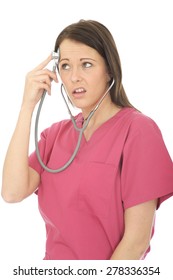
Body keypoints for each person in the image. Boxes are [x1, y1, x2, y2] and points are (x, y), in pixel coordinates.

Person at [1, 19, 173, 260]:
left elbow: (136, 242)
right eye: (65, 66)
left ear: (109, 70)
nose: (74, 77)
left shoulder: (138, 130)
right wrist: (27, 106)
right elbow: (11, 192)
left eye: (87, 65)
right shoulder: (54, 135)